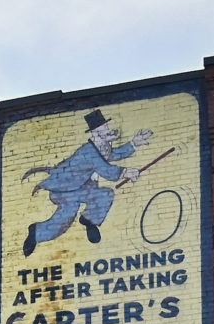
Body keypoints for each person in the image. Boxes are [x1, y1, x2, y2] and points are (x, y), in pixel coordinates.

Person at [21, 108, 154, 255]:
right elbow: (106, 169)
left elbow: (114, 154)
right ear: (95, 133)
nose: (108, 130)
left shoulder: (101, 147)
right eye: (104, 128)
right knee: (66, 219)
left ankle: (86, 221)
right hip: (65, 190)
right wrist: (126, 172)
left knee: (101, 197)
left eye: (107, 126)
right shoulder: (89, 151)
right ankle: (38, 232)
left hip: (82, 188)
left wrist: (134, 143)